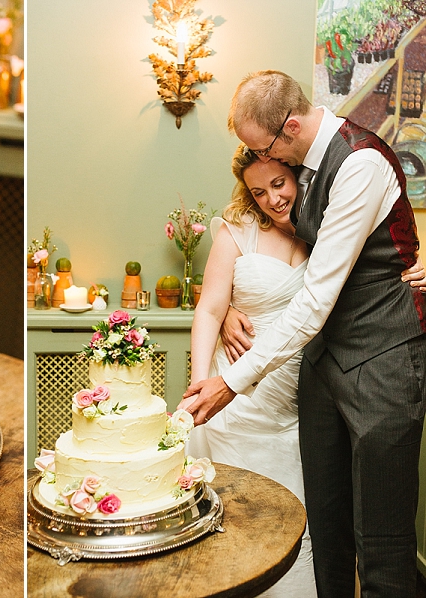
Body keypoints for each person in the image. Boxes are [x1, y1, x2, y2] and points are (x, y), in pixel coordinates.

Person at [180, 70, 426, 597]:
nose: (265, 166)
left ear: (289, 127)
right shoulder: (304, 167)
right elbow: (261, 265)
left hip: (380, 362)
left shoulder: (359, 162)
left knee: (380, 541)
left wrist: (231, 381)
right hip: (319, 369)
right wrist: (225, 310)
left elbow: (316, 295)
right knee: (327, 530)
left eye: (263, 147)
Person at [187, 145, 315, 596]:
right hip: (235, 402)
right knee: (232, 522)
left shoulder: (327, 227)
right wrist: (200, 382)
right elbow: (208, 309)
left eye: (279, 184)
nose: (272, 200)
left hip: (300, 399)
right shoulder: (238, 230)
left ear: (297, 172)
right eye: (258, 192)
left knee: (291, 523)